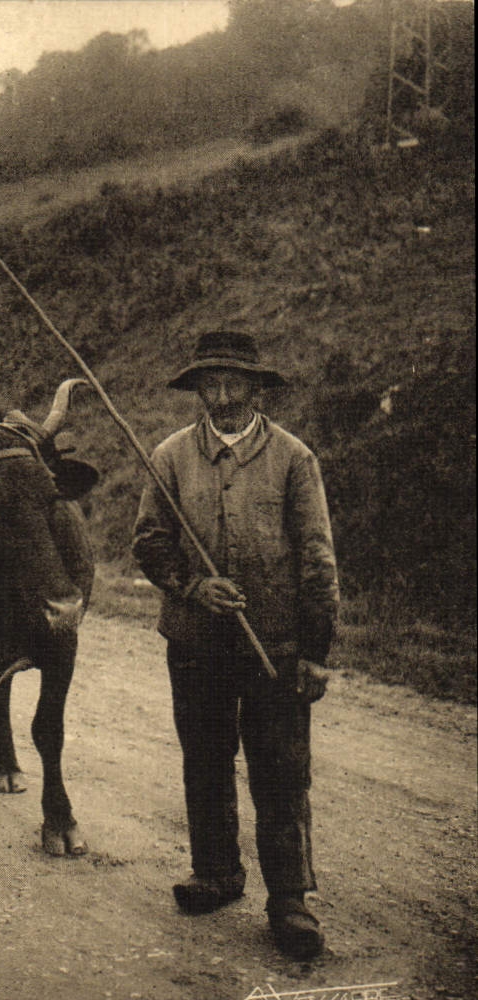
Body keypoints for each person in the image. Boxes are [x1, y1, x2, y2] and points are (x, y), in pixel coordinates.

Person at [132, 331, 339, 961]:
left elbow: (318, 559)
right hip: (195, 642)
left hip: (274, 645)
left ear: (256, 389)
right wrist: (193, 586)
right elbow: (148, 541)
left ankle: (290, 899)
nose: (222, 397)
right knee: (205, 759)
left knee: (280, 771)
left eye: (234, 384)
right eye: (210, 384)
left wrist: (315, 652)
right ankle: (217, 874)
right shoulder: (169, 457)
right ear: (198, 389)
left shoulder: (294, 459)